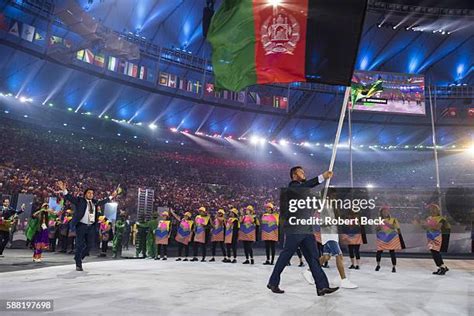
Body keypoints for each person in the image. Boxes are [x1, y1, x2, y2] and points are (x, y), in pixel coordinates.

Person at [267, 166, 338, 296]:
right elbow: (305, 186)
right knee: (286, 256)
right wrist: (322, 177)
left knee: (313, 258)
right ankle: (273, 282)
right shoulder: (293, 188)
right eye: (301, 172)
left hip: (306, 228)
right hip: (295, 229)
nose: (304, 173)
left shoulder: (304, 191)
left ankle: (322, 287)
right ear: (294, 175)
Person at [57, 180, 118, 271]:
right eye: (89, 193)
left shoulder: (94, 202)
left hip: (91, 227)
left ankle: (79, 257)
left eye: (92, 193)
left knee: (90, 245)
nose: (90, 194)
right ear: (85, 194)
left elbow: (103, 202)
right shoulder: (80, 201)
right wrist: (64, 190)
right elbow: (70, 198)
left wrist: (111, 196)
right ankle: (78, 264)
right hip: (81, 226)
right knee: (79, 245)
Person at [317, 200, 358, 289]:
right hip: (329, 236)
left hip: (333, 235)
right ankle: (344, 280)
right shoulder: (324, 210)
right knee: (339, 256)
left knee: (326, 257)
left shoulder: (334, 211)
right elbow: (321, 223)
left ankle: (309, 271)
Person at [424, 203, 450, 275]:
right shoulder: (429, 218)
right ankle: (442, 267)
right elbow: (424, 226)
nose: (432, 211)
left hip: (436, 237)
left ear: (437, 210)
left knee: (435, 252)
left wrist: (428, 226)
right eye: (431, 209)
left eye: (434, 209)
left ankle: (441, 267)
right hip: (430, 237)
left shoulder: (441, 218)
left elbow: (438, 228)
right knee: (434, 252)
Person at [375, 206, 402, 273]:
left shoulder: (393, 219)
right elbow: (376, 229)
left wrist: (385, 223)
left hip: (391, 238)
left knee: (392, 252)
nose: (385, 212)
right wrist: (378, 226)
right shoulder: (378, 220)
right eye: (383, 211)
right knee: (379, 252)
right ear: (381, 213)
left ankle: (394, 267)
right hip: (382, 238)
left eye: (386, 211)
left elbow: (395, 227)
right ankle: (378, 265)